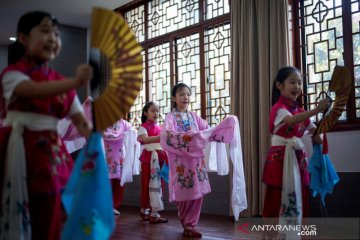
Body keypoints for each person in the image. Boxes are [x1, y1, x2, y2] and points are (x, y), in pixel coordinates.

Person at [0, 11, 92, 240]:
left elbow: (81, 121)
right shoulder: (13, 74)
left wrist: (95, 139)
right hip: (17, 149)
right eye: (44, 30)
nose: (52, 38)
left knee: (50, 213)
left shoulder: (62, 83)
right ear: (23, 38)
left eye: (57, 34)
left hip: (52, 156)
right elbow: (30, 91)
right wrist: (75, 82)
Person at [262, 67, 330, 229]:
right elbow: (291, 121)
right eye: (292, 82)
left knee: (301, 193)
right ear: (279, 85)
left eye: (299, 83)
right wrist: (317, 109)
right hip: (280, 159)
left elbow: (315, 132)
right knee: (278, 195)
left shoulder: (300, 111)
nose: (297, 87)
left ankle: (296, 233)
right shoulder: (278, 108)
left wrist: (320, 134)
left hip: (298, 159)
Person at [161, 83, 209, 238]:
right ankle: (185, 220)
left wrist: (223, 128)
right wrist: (187, 137)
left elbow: (206, 129)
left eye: (188, 94)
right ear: (174, 98)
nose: (186, 97)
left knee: (198, 193)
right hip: (180, 161)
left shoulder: (194, 116)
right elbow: (167, 135)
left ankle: (191, 224)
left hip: (196, 161)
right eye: (181, 94)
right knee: (183, 190)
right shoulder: (170, 117)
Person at [137, 101, 168, 224]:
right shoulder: (143, 127)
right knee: (146, 184)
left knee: (159, 185)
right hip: (148, 158)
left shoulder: (160, 127)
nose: (156, 113)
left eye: (157, 111)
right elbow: (144, 139)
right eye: (152, 110)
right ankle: (144, 210)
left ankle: (154, 212)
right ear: (145, 113)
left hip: (159, 158)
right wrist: (162, 137)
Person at [103, 119, 140, 215]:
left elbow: (133, 130)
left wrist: (129, 133)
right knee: (107, 182)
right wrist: (122, 135)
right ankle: (105, 206)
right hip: (108, 156)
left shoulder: (124, 123)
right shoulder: (104, 120)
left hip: (120, 156)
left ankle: (114, 205)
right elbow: (101, 133)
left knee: (119, 182)